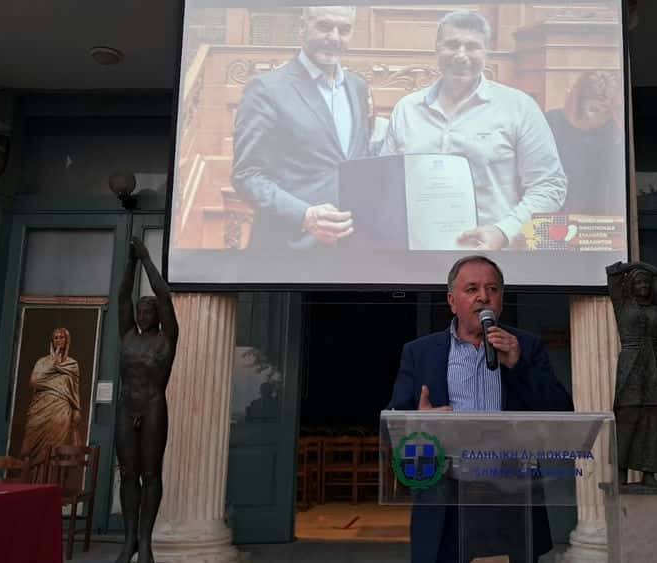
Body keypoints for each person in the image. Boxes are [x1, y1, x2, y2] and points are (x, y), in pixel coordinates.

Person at [388, 255, 573, 563]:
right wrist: (418, 423)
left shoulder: (525, 347)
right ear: (452, 301)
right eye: (472, 289)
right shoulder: (420, 353)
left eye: (492, 289)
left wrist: (519, 366)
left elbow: (561, 412)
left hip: (512, 494)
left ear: (501, 300)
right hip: (445, 494)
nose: (483, 297)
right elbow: (394, 422)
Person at [382, 11, 567, 251]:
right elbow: (386, 184)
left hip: (489, 256)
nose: (461, 55)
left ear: (486, 51)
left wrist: (505, 231)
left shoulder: (519, 108)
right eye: (452, 45)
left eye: (472, 46)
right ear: (436, 49)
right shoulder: (406, 109)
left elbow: (549, 185)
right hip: (416, 255)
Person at [231, 6, 371, 249]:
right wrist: (304, 215)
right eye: (324, 26)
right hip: (287, 248)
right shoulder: (266, 89)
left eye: (344, 29)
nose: (335, 37)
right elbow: (247, 175)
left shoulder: (358, 87)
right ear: (302, 28)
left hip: (349, 247)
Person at [115, 238, 179, 563]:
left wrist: (146, 259)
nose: (141, 315)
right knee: (128, 473)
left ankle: (145, 540)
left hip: (153, 407)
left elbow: (165, 296)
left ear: (157, 316)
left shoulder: (166, 339)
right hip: (127, 407)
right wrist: (130, 262)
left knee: (151, 474)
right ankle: (129, 540)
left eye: (147, 311)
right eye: (139, 311)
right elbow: (122, 297)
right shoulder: (128, 335)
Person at [605, 261, 657, 486]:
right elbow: (613, 272)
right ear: (631, 286)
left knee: (654, 420)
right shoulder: (622, 305)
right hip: (631, 365)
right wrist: (649, 268)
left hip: (655, 368)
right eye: (638, 282)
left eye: (646, 282)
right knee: (627, 416)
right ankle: (621, 472)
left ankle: (649, 473)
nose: (643, 285)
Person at [545, 69, 626, 216]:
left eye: (606, 111)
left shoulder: (615, 132)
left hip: (600, 216)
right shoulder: (548, 122)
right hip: (555, 211)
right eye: (594, 109)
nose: (595, 116)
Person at [18, 327, 81, 461]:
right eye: (56, 338)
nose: (59, 340)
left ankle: (52, 473)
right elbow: (34, 381)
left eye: (62, 337)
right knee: (30, 445)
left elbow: (74, 388)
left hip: (61, 409)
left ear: (67, 340)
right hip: (41, 407)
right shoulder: (42, 362)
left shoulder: (72, 364)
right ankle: (31, 473)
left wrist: (77, 409)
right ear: (52, 341)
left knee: (56, 449)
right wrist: (53, 366)